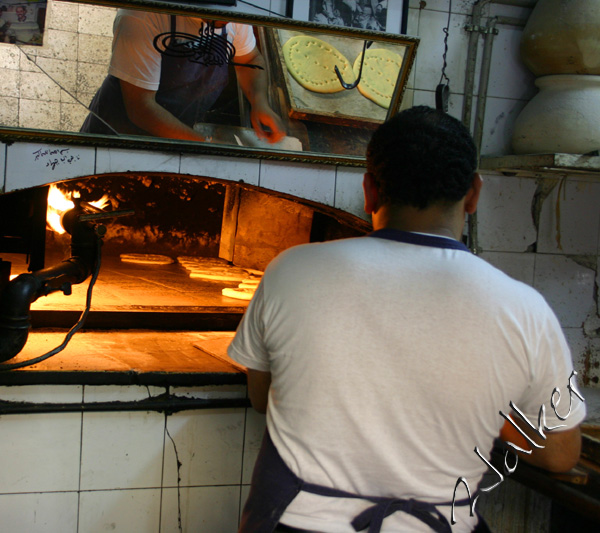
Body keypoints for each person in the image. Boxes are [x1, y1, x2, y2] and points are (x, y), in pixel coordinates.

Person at [228, 106, 584, 533]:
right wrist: (486, 408)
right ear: (473, 194)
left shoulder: (292, 270)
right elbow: (561, 452)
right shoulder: (524, 309)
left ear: (369, 190)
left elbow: (262, 395)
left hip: (295, 523)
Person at [80, 9, 285, 144]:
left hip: (179, 131)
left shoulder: (233, 10)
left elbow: (250, 59)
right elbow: (141, 107)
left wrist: (259, 102)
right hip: (118, 133)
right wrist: (205, 144)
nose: (230, 20)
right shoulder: (142, 15)